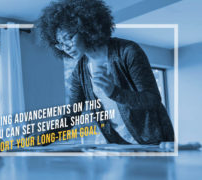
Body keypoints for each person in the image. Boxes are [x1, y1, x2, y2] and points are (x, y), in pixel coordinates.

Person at [37, 0, 174, 144]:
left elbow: (152, 99)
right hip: (120, 144)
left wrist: (114, 92)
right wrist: (40, 139)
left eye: (68, 38)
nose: (66, 47)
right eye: (60, 44)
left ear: (86, 28)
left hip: (154, 141)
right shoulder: (80, 71)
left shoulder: (128, 52)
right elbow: (72, 115)